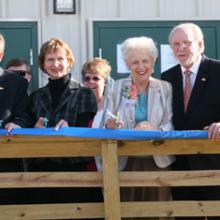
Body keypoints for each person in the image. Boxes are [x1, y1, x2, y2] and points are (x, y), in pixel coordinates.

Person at [6, 38, 103, 206]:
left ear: (69, 62)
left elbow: (86, 131)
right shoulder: (35, 96)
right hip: (41, 169)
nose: (55, 64)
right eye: (50, 59)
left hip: (73, 169)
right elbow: (27, 124)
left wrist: (70, 128)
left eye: (60, 59)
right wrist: (29, 128)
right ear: (43, 64)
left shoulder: (83, 93)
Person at [105, 36, 175, 220]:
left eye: (145, 61)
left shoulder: (165, 88)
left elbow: (170, 121)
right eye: (135, 62)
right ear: (127, 64)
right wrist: (111, 123)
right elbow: (108, 117)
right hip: (126, 159)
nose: (141, 66)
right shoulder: (117, 87)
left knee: (158, 213)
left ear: (153, 61)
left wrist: (154, 129)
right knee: (127, 211)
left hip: (158, 159)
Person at [161, 22, 220, 220]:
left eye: (186, 42)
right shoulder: (167, 77)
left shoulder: (218, 71)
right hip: (181, 165)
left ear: (201, 45)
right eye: (176, 44)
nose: (181, 48)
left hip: (214, 163)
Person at [81, 57, 127, 171]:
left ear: (105, 82)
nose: (90, 82)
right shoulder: (78, 105)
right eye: (87, 78)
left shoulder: (115, 105)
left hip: (109, 167)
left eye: (96, 78)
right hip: (84, 168)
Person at [0, 33, 28, 203]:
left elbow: (24, 114)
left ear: (1, 56)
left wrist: (17, 123)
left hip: (5, 161)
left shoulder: (16, 82)